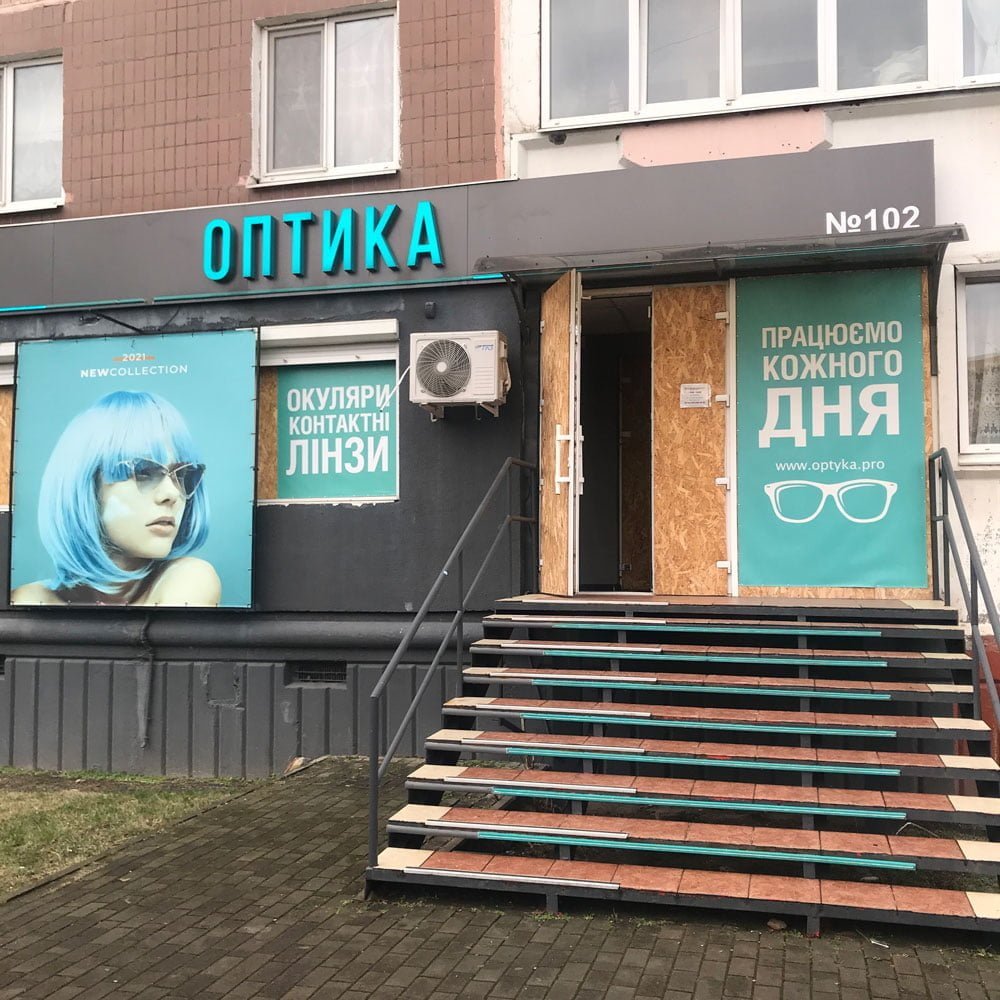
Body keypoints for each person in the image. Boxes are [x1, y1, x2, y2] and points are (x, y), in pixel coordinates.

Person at [12, 389, 220, 606]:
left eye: (183, 475)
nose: (172, 494)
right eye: (144, 472)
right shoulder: (30, 599)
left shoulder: (189, 578)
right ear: (88, 487)